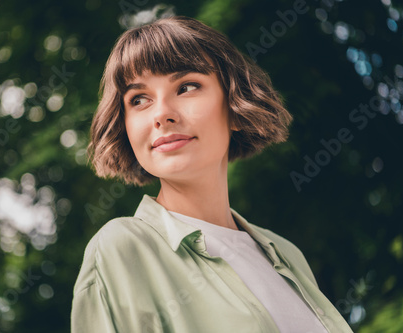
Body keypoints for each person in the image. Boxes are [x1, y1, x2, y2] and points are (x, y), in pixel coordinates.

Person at [71, 16, 353, 333]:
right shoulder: (123, 248)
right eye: (139, 99)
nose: (161, 113)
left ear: (234, 105)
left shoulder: (287, 254)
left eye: (186, 87)